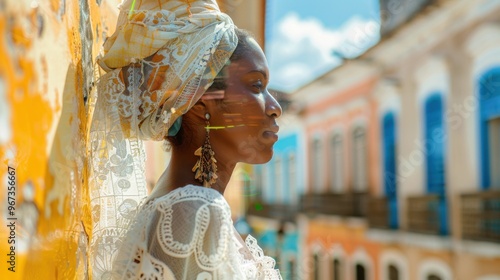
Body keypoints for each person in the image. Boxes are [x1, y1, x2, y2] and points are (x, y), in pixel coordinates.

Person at [88, 0, 282, 279]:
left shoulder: (183, 207)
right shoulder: (195, 211)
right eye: (256, 85)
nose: (275, 107)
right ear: (201, 104)